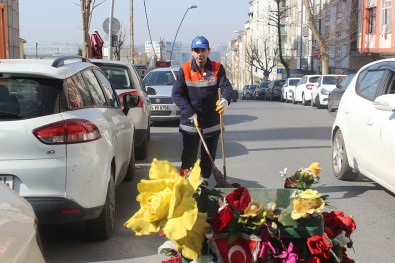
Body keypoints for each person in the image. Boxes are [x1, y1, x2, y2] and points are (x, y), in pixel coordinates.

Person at [172, 35, 234, 184]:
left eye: (203, 50)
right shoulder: (185, 69)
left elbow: (226, 87)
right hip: (191, 123)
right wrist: (189, 112)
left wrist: (225, 99)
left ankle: (204, 183)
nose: (200, 53)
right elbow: (176, 94)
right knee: (188, 157)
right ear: (192, 52)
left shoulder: (217, 68)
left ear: (208, 51)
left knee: (208, 157)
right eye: (196, 50)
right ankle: (185, 184)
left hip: (212, 122)